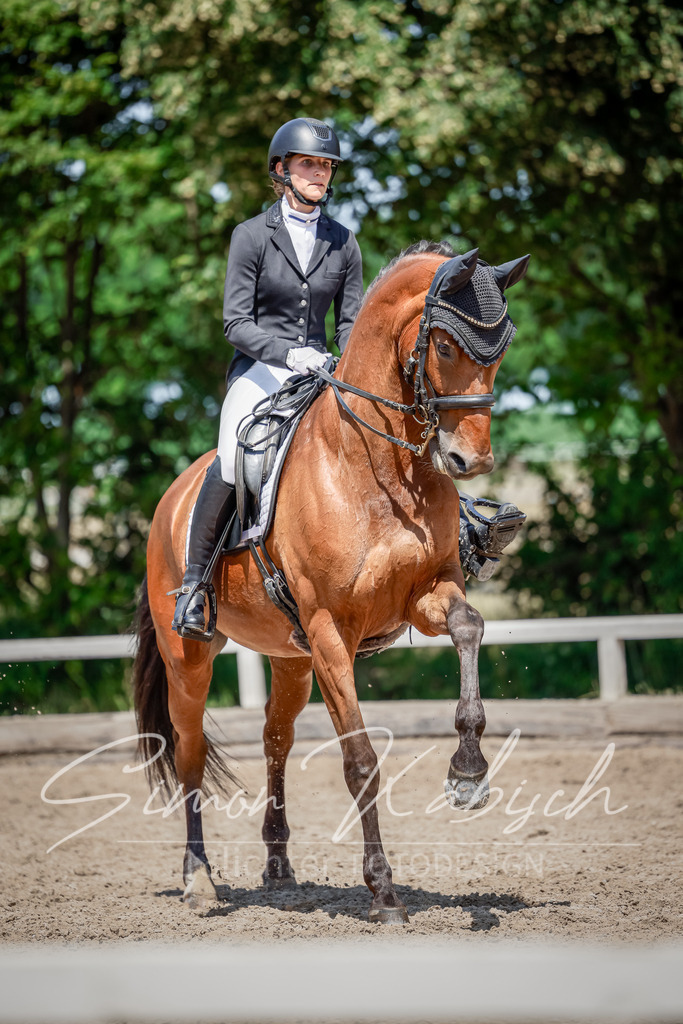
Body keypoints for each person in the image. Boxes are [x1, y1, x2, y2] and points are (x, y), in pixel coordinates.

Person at [172, 117, 364, 639]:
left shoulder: (344, 242)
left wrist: (342, 362)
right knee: (235, 455)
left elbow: (351, 323)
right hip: (260, 368)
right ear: (282, 170)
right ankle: (194, 586)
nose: (319, 174)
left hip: (322, 371)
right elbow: (236, 322)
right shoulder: (251, 235)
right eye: (309, 164)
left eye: (325, 166)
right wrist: (288, 353)